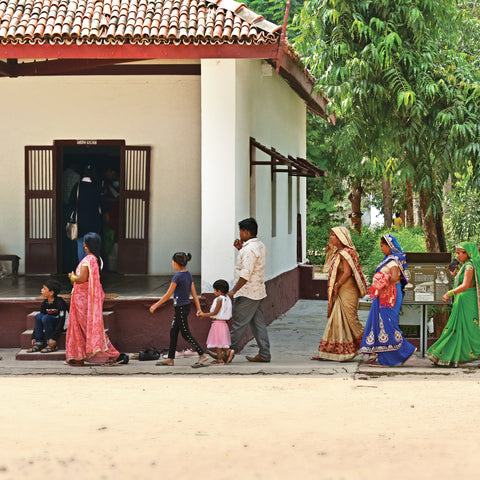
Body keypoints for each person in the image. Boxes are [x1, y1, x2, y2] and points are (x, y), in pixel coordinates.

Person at [359, 234, 417, 366]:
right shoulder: (389, 259)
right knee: (381, 325)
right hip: (384, 294)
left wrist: (380, 279)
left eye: (382, 246)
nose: (381, 248)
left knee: (388, 324)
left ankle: (405, 351)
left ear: (389, 246)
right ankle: (385, 358)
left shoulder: (393, 261)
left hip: (389, 295)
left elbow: (395, 278)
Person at [312, 227, 368, 361]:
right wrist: (330, 248)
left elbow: (347, 273)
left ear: (341, 238)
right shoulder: (342, 252)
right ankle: (330, 352)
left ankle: (373, 345)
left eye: (333, 236)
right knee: (336, 321)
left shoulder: (346, 253)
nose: (330, 238)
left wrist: (337, 285)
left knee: (352, 321)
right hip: (343, 290)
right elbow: (328, 265)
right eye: (331, 236)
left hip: (347, 290)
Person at [65, 232, 121, 366]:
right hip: (83, 298)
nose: (83, 243)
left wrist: (72, 277)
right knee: (83, 327)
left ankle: (111, 354)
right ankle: (78, 356)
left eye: (84, 242)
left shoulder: (88, 260)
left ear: (87, 245)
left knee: (84, 327)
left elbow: (82, 279)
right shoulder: (96, 259)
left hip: (82, 301)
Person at [221, 217, 270, 363]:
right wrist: (240, 250)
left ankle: (228, 352)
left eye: (241, 231)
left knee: (239, 323)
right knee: (258, 324)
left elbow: (246, 273)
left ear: (247, 232)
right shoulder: (259, 245)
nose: (240, 234)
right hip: (258, 290)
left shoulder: (249, 249)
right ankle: (265, 353)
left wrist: (233, 291)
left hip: (248, 292)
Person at [150, 252, 210, 368]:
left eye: (173, 262)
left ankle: (202, 354)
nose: (172, 264)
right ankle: (170, 359)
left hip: (181, 309)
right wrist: (198, 309)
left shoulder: (177, 277)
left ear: (176, 264)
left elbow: (168, 295)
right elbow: (194, 294)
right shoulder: (188, 275)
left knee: (186, 334)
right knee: (173, 333)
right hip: (182, 308)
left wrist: (155, 305)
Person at [426, 242, 480, 367]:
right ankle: (447, 355)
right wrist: (454, 275)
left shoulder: (469, 266)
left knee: (469, 329)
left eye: (459, 253)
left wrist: (448, 293)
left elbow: (466, 285)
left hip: (467, 300)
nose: (457, 256)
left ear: (468, 253)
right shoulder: (465, 266)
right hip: (462, 300)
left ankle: (449, 354)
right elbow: (463, 282)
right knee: (458, 329)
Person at [69, 165, 107, 263]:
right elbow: (103, 206)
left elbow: (71, 202)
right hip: (94, 222)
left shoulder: (77, 187)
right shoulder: (97, 187)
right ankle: (90, 271)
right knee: (92, 248)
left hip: (80, 222)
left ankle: (82, 270)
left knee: (81, 246)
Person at [27, 279, 67, 353]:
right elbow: (39, 319)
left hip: (60, 326)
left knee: (46, 317)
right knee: (39, 316)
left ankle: (51, 345)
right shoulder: (45, 303)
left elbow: (62, 321)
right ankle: (38, 343)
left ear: (51, 293)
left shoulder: (60, 303)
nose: (41, 290)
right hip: (48, 323)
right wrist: (34, 336)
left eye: (44, 289)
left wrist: (54, 338)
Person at [198, 279, 232, 365]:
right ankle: (227, 352)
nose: (214, 292)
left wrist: (204, 314)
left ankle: (221, 358)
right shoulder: (227, 298)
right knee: (221, 342)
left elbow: (215, 312)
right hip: (223, 323)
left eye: (214, 290)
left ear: (219, 291)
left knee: (218, 343)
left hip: (217, 324)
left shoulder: (219, 299)